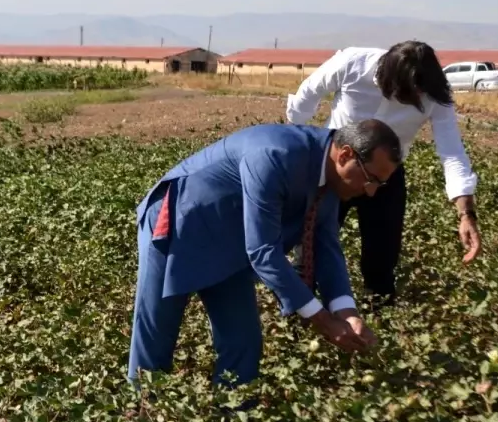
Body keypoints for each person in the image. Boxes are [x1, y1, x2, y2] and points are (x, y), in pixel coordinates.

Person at [127, 119, 402, 389]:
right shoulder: (275, 155)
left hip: (232, 242)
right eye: (371, 179)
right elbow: (263, 250)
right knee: (156, 336)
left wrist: (347, 314)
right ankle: (141, 420)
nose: (371, 192)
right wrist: (323, 320)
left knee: (243, 342)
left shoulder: (330, 180)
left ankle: (234, 418)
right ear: (345, 155)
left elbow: (326, 247)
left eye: (381, 184)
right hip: (180, 222)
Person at [285, 41, 482, 306]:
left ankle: (376, 325)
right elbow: (306, 95)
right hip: (334, 170)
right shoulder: (352, 64)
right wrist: (303, 150)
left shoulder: (434, 90)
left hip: (386, 178)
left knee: (381, 261)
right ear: (388, 80)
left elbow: (452, 152)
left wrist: (466, 213)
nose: (416, 99)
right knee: (308, 251)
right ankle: (300, 318)